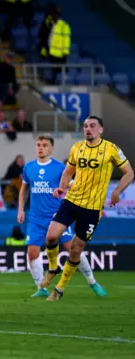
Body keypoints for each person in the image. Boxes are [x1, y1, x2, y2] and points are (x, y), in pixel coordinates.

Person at [42, 116, 133, 301]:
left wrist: (117, 191)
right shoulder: (77, 147)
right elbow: (68, 171)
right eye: (85, 126)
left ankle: (59, 289)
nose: (88, 129)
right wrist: (62, 186)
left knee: (76, 248)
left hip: (92, 208)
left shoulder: (111, 149)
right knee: (51, 235)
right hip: (72, 200)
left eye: (92, 126)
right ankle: (53, 268)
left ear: (101, 129)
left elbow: (129, 172)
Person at [17, 135, 106, 297]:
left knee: (72, 248)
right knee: (32, 252)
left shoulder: (59, 168)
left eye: (44, 145)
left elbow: (72, 185)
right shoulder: (29, 167)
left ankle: (92, 281)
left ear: (51, 148)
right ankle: (41, 288)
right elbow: (24, 189)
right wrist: (21, 209)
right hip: (36, 218)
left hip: (56, 217)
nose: (40, 147)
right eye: (38, 145)